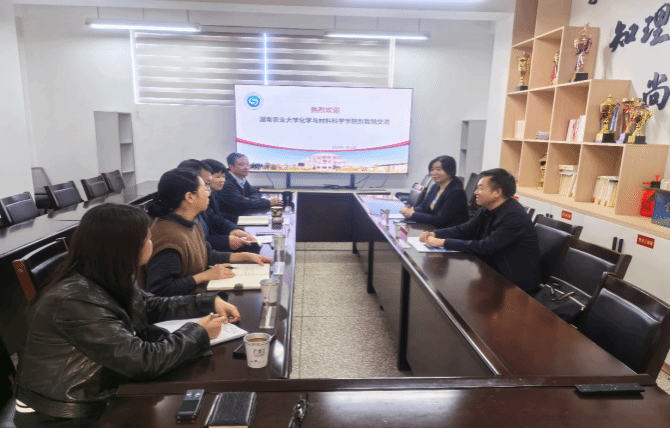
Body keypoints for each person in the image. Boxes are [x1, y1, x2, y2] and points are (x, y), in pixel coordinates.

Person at [14, 204, 240, 427]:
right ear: (127, 248)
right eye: (148, 239)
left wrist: (207, 301)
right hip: (63, 414)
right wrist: (198, 332)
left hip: (106, 388)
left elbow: (148, 305)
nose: (152, 243)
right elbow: (143, 362)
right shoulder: (73, 301)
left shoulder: (108, 272)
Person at [145, 168, 271, 297]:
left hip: (194, 296)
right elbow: (159, 290)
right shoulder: (169, 238)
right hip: (184, 303)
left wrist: (245, 256)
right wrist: (204, 276)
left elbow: (207, 255)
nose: (209, 194)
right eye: (205, 189)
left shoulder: (191, 221)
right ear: (189, 197)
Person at [420, 168, 541, 294]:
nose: (476, 192)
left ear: (497, 192)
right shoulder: (487, 208)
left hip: (513, 284)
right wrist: (435, 234)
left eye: (480, 188)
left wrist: (443, 242)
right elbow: (465, 230)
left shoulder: (514, 217)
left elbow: (486, 247)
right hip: (491, 270)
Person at [178, 159, 259, 253]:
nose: (208, 192)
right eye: (206, 185)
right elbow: (195, 245)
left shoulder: (198, 204)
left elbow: (214, 218)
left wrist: (233, 229)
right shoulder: (180, 216)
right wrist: (225, 241)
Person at [399, 156, 468, 228]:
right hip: (433, 228)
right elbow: (423, 207)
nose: (434, 173)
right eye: (432, 170)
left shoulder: (456, 192)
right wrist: (410, 210)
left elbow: (439, 220)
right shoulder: (435, 187)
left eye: (439, 169)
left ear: (450, 171)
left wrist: (413, 214)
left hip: (448, 231)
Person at [218, 153, 282, 223]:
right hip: (230, 221)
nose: (246, 167)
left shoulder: (241, 177)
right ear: (231, 167)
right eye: (241, 165)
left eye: (247, 164)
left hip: (242, 215)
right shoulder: (226, 182)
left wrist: (249, 200)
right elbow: (242, 204)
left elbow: (255, 192)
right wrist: (268, 202)